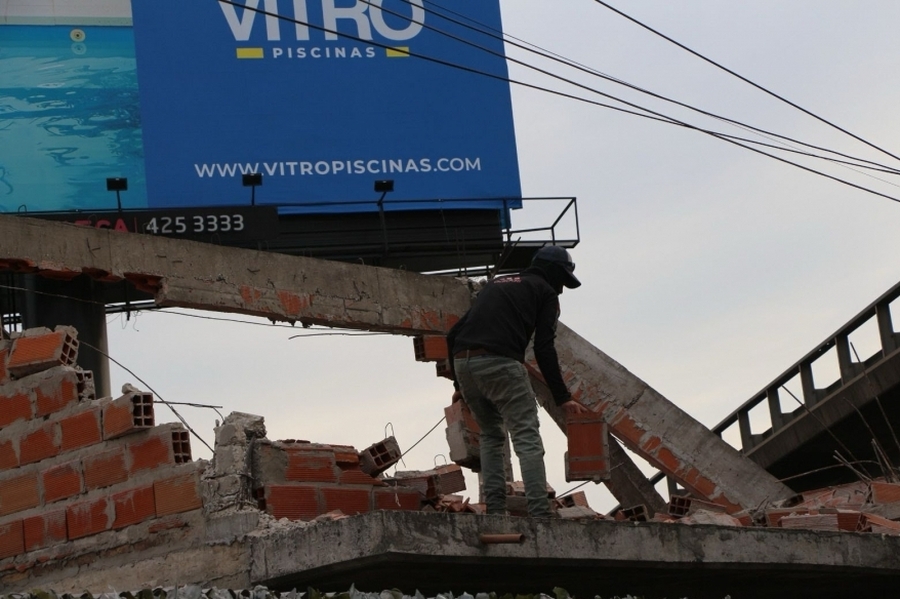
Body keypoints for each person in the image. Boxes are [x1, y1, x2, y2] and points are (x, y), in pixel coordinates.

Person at [447, 245, 588, 517]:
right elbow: (544, 348)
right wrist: (563, 397)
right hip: (501, 362)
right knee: (526, 436)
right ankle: (540, 514)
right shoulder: (545, 292)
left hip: (464, 364)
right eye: (561, 282)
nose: (560, 290)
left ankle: (496, 511)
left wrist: (458, 386)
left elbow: (453, 335)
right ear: (551, 273)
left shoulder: (496, 284)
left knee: (490, 435)